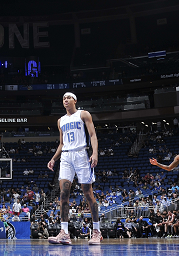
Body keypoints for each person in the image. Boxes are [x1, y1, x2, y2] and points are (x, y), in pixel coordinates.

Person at [47, 92, 102, 245]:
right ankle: (64, 233)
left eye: (68, 98)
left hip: (81, 154)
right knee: (63, 194)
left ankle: (97, 231)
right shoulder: (61, 121)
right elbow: (61, 143)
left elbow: (92, 134)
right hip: (65, 156)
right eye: (63, 98)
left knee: (88, 193)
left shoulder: (83, 114)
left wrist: (95, 153)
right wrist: (53, 159)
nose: (65, 100)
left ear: (75, 100)